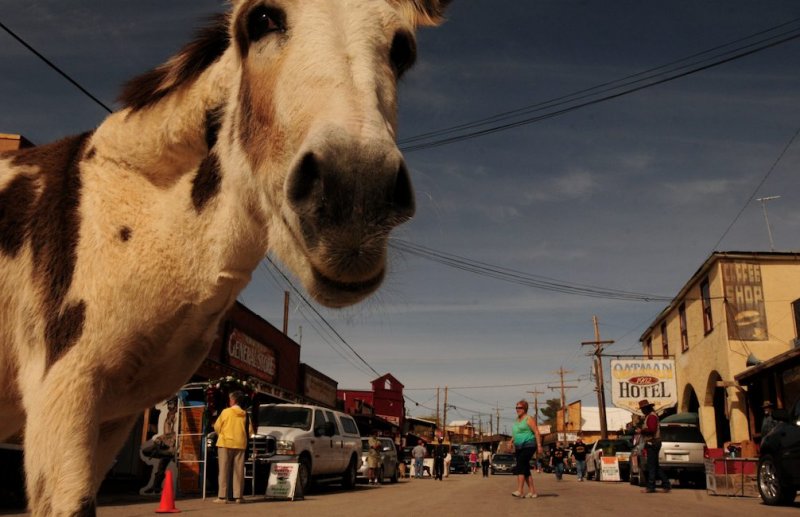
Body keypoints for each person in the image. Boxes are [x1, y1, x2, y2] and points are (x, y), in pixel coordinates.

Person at [213, 391, 253, 504]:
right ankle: (238, 497)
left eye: (230, 399)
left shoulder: (226, 412)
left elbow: (217, 427)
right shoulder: (245, 414)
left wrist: (222, 434)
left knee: (224, 470)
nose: (229, 401)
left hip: (225, 443)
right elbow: (250, 432)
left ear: (233, 401)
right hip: (240, 444)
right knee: (239, 471)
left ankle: (222, 497)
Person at [508, 399, 543, 498]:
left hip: (529, 445)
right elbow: (516, 434)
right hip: (518, 446)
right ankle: (533, 492)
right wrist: (511, 441)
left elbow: (536, 432)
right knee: (526, 469)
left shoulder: (529, 419)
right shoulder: (517, 420)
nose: (517, 409)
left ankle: (520, 490)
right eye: (516, 407)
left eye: (520, 407)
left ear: (525, 409)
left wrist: (539, 445)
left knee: (520, 466)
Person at [638, 399, 671, 493]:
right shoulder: (650, 416)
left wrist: (642, 431)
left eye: (643, 409)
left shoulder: (651, 417)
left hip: (652, 442)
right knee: (655, 466)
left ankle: (651, 486)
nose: (642, 410)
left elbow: (652, 430)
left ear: (647, 408)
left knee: (651, 466)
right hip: (653, 442)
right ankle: (666, 484)